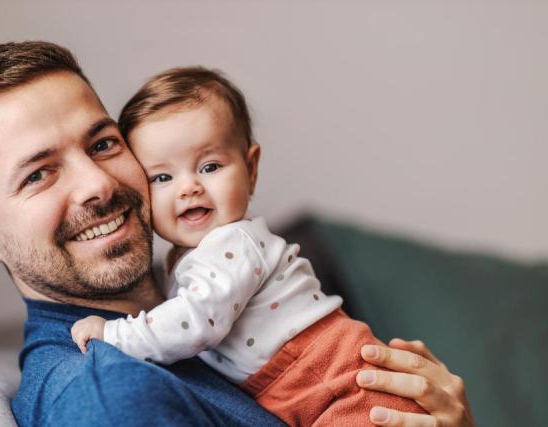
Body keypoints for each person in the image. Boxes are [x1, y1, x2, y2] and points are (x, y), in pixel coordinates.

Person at [0, 40, 474, 426]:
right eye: (39, 174)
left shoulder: (211, 306)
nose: (96, 183)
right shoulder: (110, 395)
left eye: (103, 144)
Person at [70, 67, 428, 426]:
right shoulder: (188, 258)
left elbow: (196, 322)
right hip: (306, 387)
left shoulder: (235, 243)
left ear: (250, 168)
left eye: (209, 166)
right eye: (162, 177)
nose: (188, 187)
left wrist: (115, 334)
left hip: (338, 381)